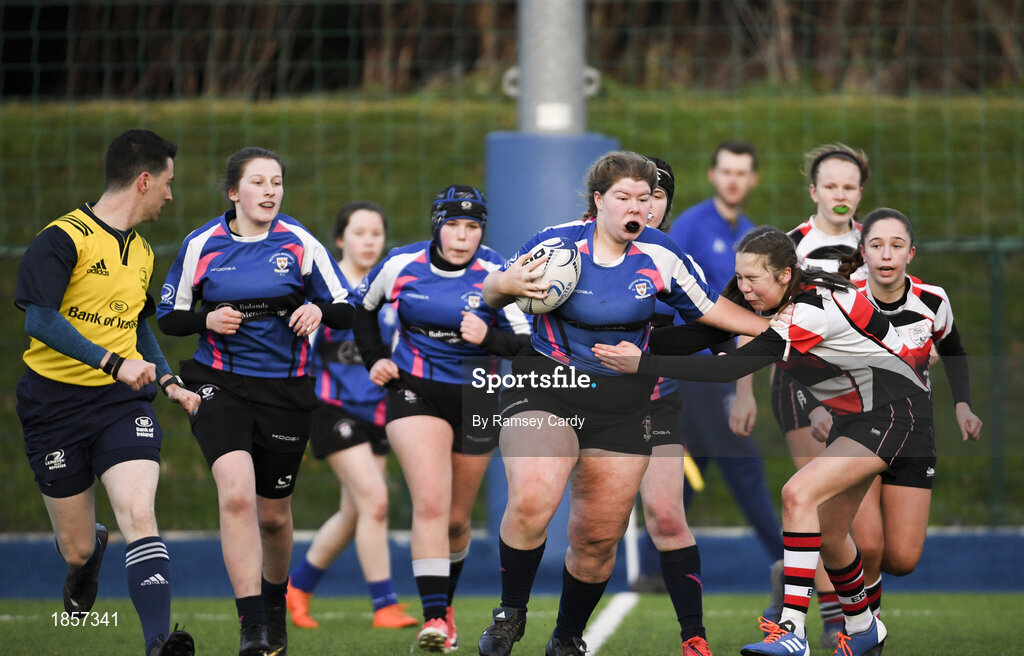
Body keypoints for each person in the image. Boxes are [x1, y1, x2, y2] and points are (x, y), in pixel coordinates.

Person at [594, 224, 949, 656]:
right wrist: (613, 342)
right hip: (859, 417)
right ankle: (863, 627)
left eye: (752, 280)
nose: (743, 289)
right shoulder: (769, 291)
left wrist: (641, 363)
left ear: (785, 275)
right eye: (739, 278)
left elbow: (729, 367)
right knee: (833, 534)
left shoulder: (808, 310)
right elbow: (708, 332)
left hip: (898, 413)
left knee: (798, 494)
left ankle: (790, 631)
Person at [476, 151, 771, 656]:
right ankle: (510, 613)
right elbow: (491, 292)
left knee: (596, 541)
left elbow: (714, 313)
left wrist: (781, 331)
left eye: (644, 198)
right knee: (535, 495)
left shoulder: (661, 254)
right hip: (549, 385)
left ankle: (567, 636)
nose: (637, 207)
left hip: (624, 403)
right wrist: (503, 284)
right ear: (599, 201)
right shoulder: (555, 243)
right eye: (624, 197)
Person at [157, 147, 353, 656]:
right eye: (259, 182)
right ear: (233, 192)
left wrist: (316, 308)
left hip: (284, 392)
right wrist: (207, 319)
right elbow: (169, 316)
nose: (270, 191)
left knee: (272, 516)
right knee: (237, 492)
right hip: (218, 383)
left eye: (277, 182)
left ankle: (273, 606)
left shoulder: (300, 243)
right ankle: (251, 627)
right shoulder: (202, 244)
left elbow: (345, 308)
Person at [15, 128, 198, 656]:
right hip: (52, 405)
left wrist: (166, 381)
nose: (169, 194)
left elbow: (137, 327)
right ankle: (89, 556)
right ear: (144, 180)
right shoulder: (62, 239)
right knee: (74, 550)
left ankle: (159, 644)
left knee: (139, 513)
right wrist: (110, 362)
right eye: (166, 183)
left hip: (120, 405)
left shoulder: (141, 253)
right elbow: (41, 320)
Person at [352, 185, 531, 653]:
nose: (462, 235)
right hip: (415, 390)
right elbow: (361, 309)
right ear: (437, 226)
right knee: (431, 502)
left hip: (477, 398)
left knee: (456, 520)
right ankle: (434, 618)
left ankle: (444, 608)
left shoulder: (498, 272)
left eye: (472, 226)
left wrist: (488, 339)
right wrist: (375, 358)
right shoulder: (399, 265)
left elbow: (529, 343)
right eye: (453, 224)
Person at [808, 208, 982, 617]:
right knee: (867, 545)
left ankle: (816, 566)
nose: (886, 255)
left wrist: (962, 405)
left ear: (911, 254)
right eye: (877, 245)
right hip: (857, 429)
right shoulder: (840, 297)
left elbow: (953, 350)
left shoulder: (933, 300)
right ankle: (867, 629)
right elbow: (807, 355)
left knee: (901, 559)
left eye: (896, 246)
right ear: (863, 252)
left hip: (914, 433)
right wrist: (816, 406)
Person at [662, 141, 785, 604]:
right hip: (698, 371)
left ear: (752, 180)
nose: (734, 179)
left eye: (743, 173)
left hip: (726, 369)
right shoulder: (691, 227)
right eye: (726, 171)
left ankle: (658, 568)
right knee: (745, 467)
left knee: (692, 468)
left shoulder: (751, 236)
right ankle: (793, 563)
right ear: (713, 175)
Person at [286, 201, 418, 630]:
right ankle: (384, 604)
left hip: (379, 410)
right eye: (359, 233)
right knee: (376, 501)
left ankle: (297, 588)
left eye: (376, 234)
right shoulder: (325, 288)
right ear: (340, 239)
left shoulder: (392, 287)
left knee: (357, 511)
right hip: (332, 409)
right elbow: (301, 352)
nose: (369, 241)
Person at [770, 143, 871, 646]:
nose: (839, 194)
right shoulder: (789, 247)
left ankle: (788, 578)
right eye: (830, 185)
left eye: (849, 186)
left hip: (869, 393)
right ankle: (837, 625)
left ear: (861, 193)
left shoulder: (878, 244)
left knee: (869, 541)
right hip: (799, 386)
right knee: (819, 507)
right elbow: (757, 323)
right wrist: (743, 393)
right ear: (813, 191)